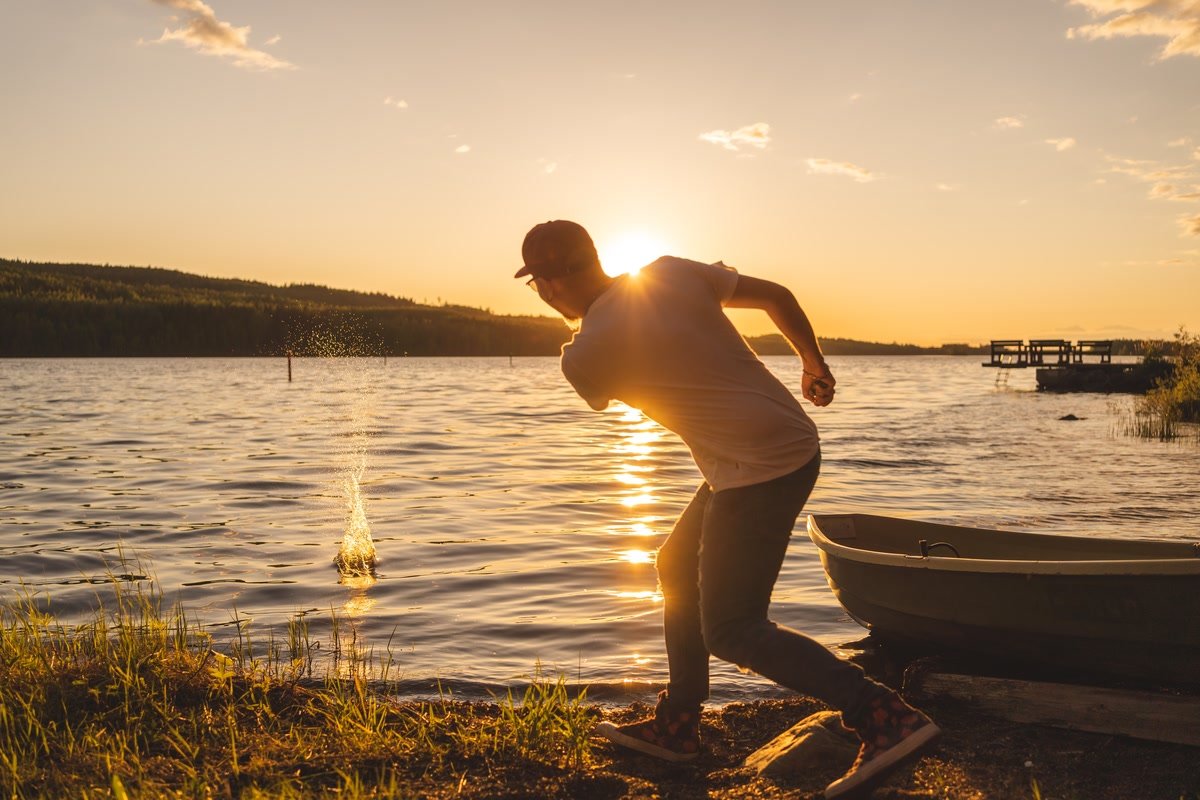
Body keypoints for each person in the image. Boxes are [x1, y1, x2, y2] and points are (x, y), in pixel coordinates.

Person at [514, 220, 940, 799]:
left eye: (536, 282)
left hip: (759, 468)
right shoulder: (667, 272)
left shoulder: (585, 353)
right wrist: (814, 365)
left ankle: (883, 715)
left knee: (733, 627)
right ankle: (678, 724)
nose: (540, 293)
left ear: (553, 282)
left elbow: (598, 394)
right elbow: (776, 296)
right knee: (675, 566)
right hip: (780, 444)